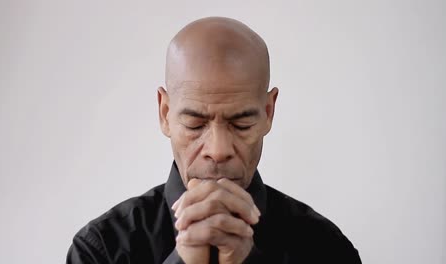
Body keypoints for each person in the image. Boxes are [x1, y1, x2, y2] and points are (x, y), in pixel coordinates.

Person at [66, 16, 362, 264]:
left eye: (241, 123)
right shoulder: (100, 250)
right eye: (195, 124)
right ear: (165, 112)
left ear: (268, 113)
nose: (218, 151)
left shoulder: (325, 249)